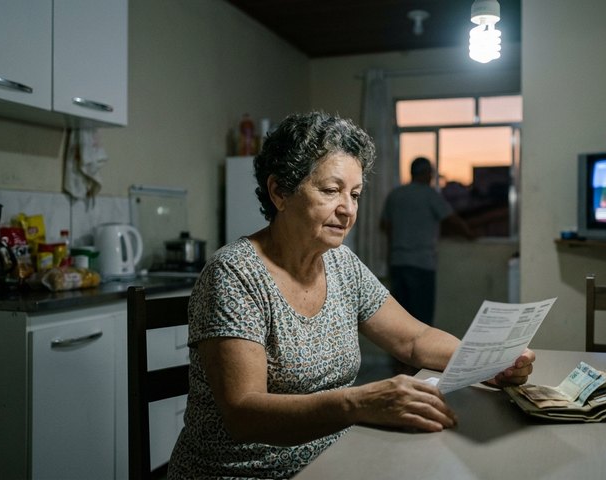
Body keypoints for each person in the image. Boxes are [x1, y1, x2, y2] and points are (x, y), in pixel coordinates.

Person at [167, 112, 535, 479]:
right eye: (330, 191)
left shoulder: (342, 264)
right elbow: (243, 413)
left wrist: (486, 362)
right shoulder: (234, 273)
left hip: (334, 459)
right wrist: (358, 402)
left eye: (355, 195)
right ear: (279, 191)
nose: (348, 210)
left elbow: (413, 339)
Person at [380, 157, 473, 327]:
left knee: (400, 319)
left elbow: (385, 225)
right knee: (421, 320)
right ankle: (418, 355)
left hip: (398, 263)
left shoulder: (396, 195)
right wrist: (469, 234)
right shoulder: (429, 195)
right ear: (426, 174)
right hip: (421, 265)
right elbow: (452, 220)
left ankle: (397, 355)